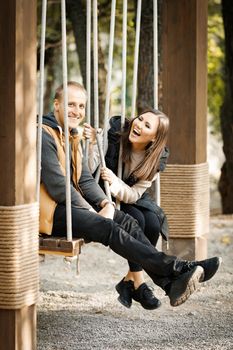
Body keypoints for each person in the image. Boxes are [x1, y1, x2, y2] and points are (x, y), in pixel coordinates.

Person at [40, 80, 221, 310]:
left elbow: (84, 178)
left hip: (71, 206)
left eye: (81, 106)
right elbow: (58, 187)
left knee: (127, 220)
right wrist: (92, 210)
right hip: (53, 212)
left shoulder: (71, 134)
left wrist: (105, 203)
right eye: (70, 105)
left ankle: (169, 283)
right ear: (56, 105)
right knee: (110, 227)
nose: (77, 111)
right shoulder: (45, 134)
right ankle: (176, 269)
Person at [87, 110, 171, 310]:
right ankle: (137, 283)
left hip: (125, 194)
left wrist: (115, 181)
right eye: (140, 119)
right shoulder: (115, 134)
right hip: (104, 195)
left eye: (147, 126)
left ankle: (132, 280)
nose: (139, 124)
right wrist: (93, 144)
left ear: (154, 139)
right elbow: (89, 169)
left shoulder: (155, 160)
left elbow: (134, 195)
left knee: (152, 221)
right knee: (138, 221)